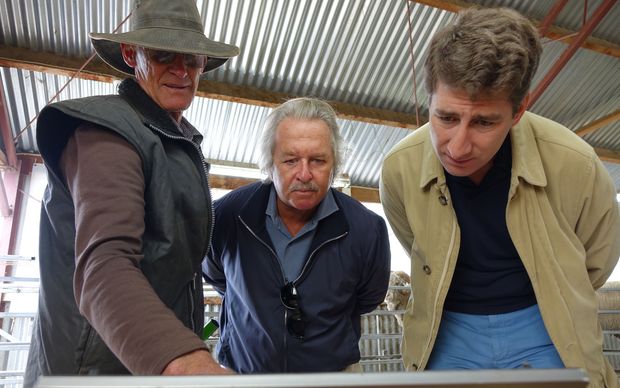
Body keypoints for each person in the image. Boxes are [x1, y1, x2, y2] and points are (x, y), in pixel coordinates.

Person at [380, 7, 620, 387]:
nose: (457, 146)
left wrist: (557, 294)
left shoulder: (576, 164)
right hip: (448, 328)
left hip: (545, 323)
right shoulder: (399, 169)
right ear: (431, 98)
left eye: (484, 122)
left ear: (518, 111)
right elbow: (416, 245)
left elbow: (596, 260)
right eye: (445, 118)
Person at [24, 1, 239, 386]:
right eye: (162, 54)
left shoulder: (176, 141)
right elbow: (103, 268)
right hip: (94, 374)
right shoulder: (108, 134)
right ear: (130, 54)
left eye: (192, 58)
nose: (181, 69)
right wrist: (187, 363)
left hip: (142, 369)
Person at [203, 97, 391, 373]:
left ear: (335, 163)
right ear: (270, 163)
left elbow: (368, 298)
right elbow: (218, 276)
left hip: (332, 378)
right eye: (291, 160)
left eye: (318, 160)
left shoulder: (366, 229)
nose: (304, 174)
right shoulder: (228, 216)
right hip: (243, 376)